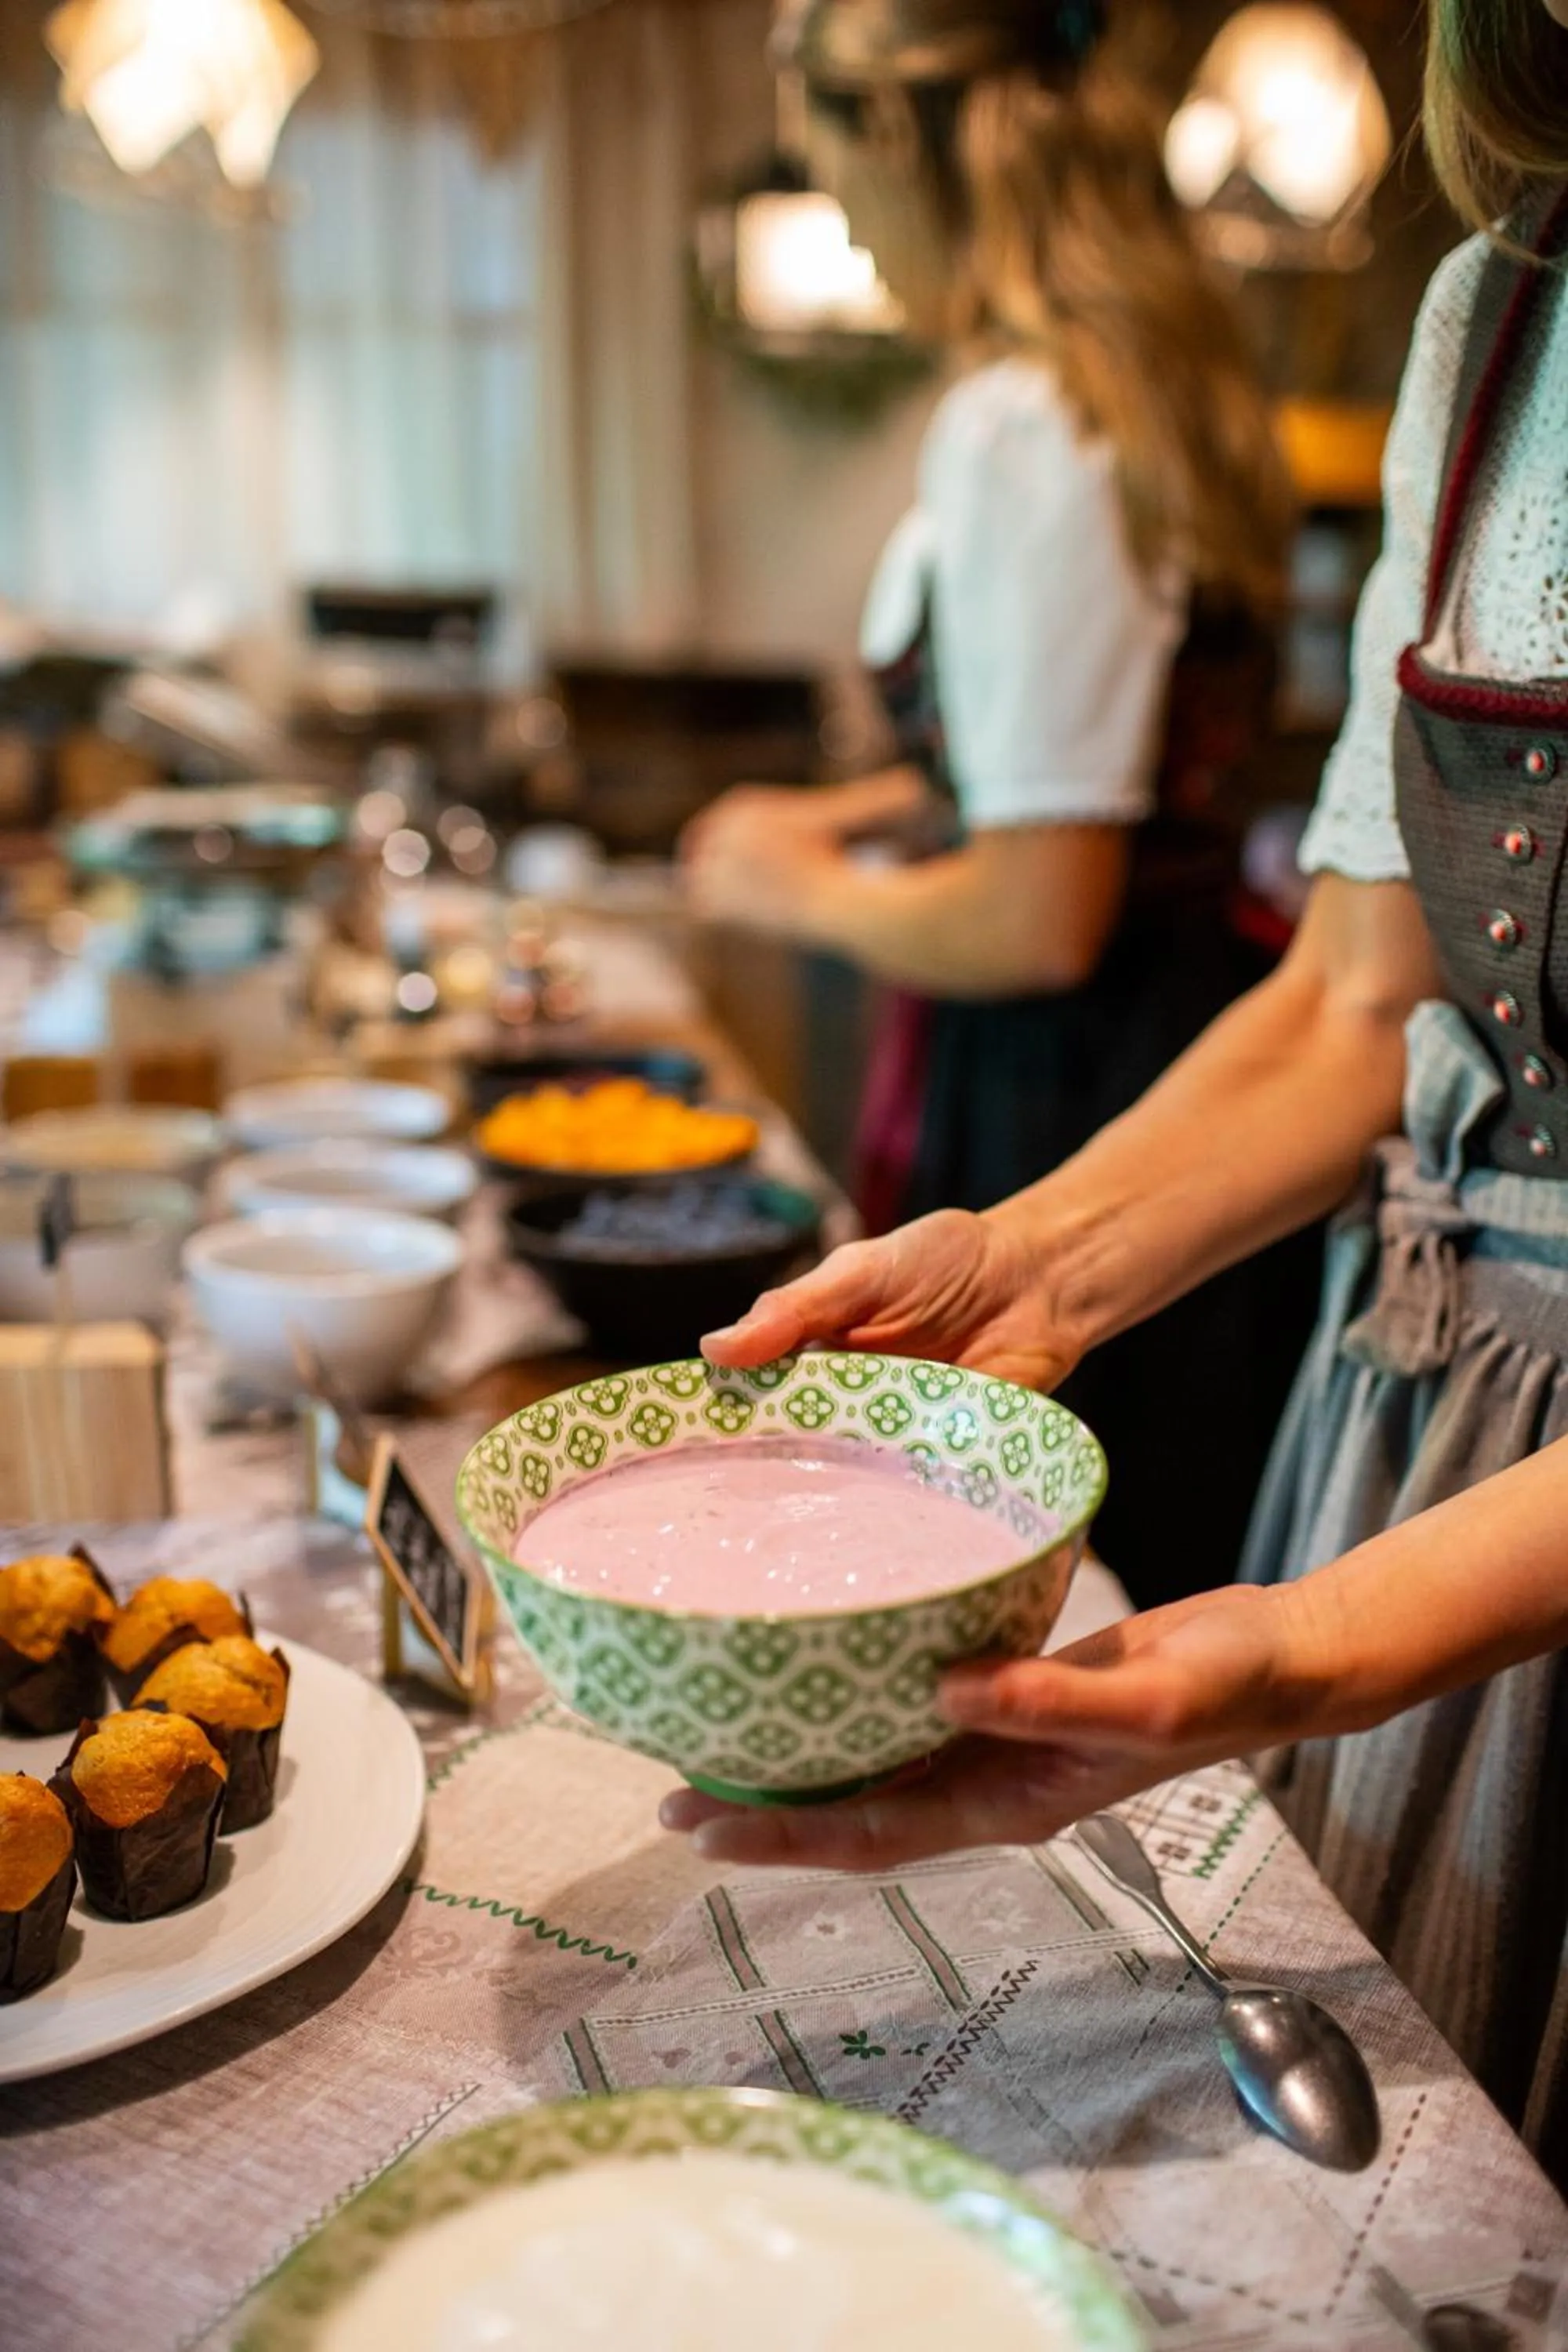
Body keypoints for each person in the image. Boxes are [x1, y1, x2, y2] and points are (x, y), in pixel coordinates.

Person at [665, 0, 1568, 2182]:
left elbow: (1048, 897)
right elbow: (1367, 997)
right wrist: (1036, 1267)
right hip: (1431, 1400)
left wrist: (1317, 1645)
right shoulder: (1494, 314)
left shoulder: (1025, 417)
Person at [683, 0, 1317, 1609]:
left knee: (1044, 1597)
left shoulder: (1024, 422)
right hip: (1181, 1035)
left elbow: (1040, 911)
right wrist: (868, 808)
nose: (844, 219)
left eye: (830, 164)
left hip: (1074, 1080)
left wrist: (777, 884)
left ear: (893, 133)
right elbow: (1100, 750)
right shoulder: (1146, 387)